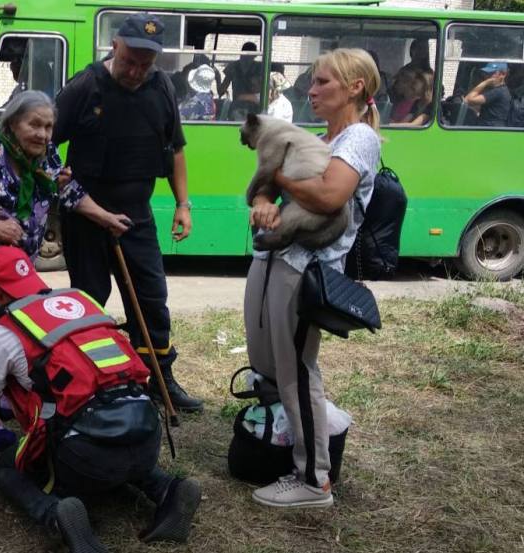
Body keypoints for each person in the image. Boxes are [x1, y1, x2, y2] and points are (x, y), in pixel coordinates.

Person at [0, 246, 201, 553]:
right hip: (146, 429)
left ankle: (55, 514)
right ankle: (168, 488)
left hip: (84, 458)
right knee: (123, 454)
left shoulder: (2, 335)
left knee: (8, 468)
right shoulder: (83, 301)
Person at [0, 90, 128, 449]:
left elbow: (69, 191)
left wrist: (105, 218)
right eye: (34, 124)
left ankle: (5, 394)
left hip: (20, 268)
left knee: (23, 333)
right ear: (13, 122)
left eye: (49, 126)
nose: (43, 134)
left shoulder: (45, 155)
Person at [244, 48, 381, 508]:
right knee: (276, 364)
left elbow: (327, 196)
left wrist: (275, 180)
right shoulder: (324, 137)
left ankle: (313, 481)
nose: (312, 89)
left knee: (297, 373)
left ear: (354, 87)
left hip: (306, 270)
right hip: (280, 260)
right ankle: (321, 428)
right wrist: (264, 198)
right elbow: (272, 181)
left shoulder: (359, 138)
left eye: (323, 82)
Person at [52, 13, 203, 412]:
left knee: (151, 298)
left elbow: (176, 149)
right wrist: (61, 179)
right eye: (129, 61)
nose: (136, 72)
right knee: (90, 299)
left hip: (137, 214)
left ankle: (159, 377)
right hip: (87, 215)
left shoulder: (162, 87)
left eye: (145, 64)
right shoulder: (84, 87)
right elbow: (43, 143)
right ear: (114, 46)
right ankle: (91, 380)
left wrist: (183, 204)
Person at [218, 42, 263, 120]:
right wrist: (217, 78)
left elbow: (262, 90)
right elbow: (222, 90)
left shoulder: (259, 67)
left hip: (254, 109)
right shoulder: (233, 67)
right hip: (237, 109)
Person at [463, 62, 512, 127]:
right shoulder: (498, 90)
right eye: (487, 73)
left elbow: (468, 100)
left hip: (491, 128)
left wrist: (485, 82)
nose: (488, 76)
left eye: (492, 73)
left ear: (503, 74)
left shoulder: (498, 92)